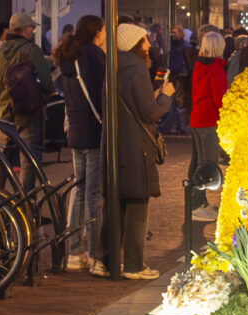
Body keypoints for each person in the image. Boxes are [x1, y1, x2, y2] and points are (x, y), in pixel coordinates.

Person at [110, 19, 174, 280]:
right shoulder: (136, 69)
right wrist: (166, 96)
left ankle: (109, 260)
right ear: (134, 45)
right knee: (137, 206)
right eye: (144, 41)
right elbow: (149, 112)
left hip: (117, 143)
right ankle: (134, 265)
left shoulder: (114, 66)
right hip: (136, 146)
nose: (148, 45)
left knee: (117, 207)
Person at [53, 17, 107, 273]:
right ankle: (93, 251)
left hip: (74, 130)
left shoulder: (69, 56)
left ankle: (73, 251)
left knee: (79, 188)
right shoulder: (94, 56)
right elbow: (101, 92)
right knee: (93, 192)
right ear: (97, 31)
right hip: (93, 130)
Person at [0, 12, 57, 161]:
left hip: (3, 111)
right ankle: (27, 186)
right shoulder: (32, 50)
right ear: (25, 29)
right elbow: (47, 83)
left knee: (1, 159)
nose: (33, 30)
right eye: (31, 27)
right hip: (28, 113)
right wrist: (43, 95)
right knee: (29, 157)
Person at [189, 30, 229, 224]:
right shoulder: (215, 69)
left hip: (197, 119)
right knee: (208, 165)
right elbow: (220, 100)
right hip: (209, 122)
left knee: (198, 162)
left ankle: (195, 203)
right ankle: (197, 205)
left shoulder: (199, 66)